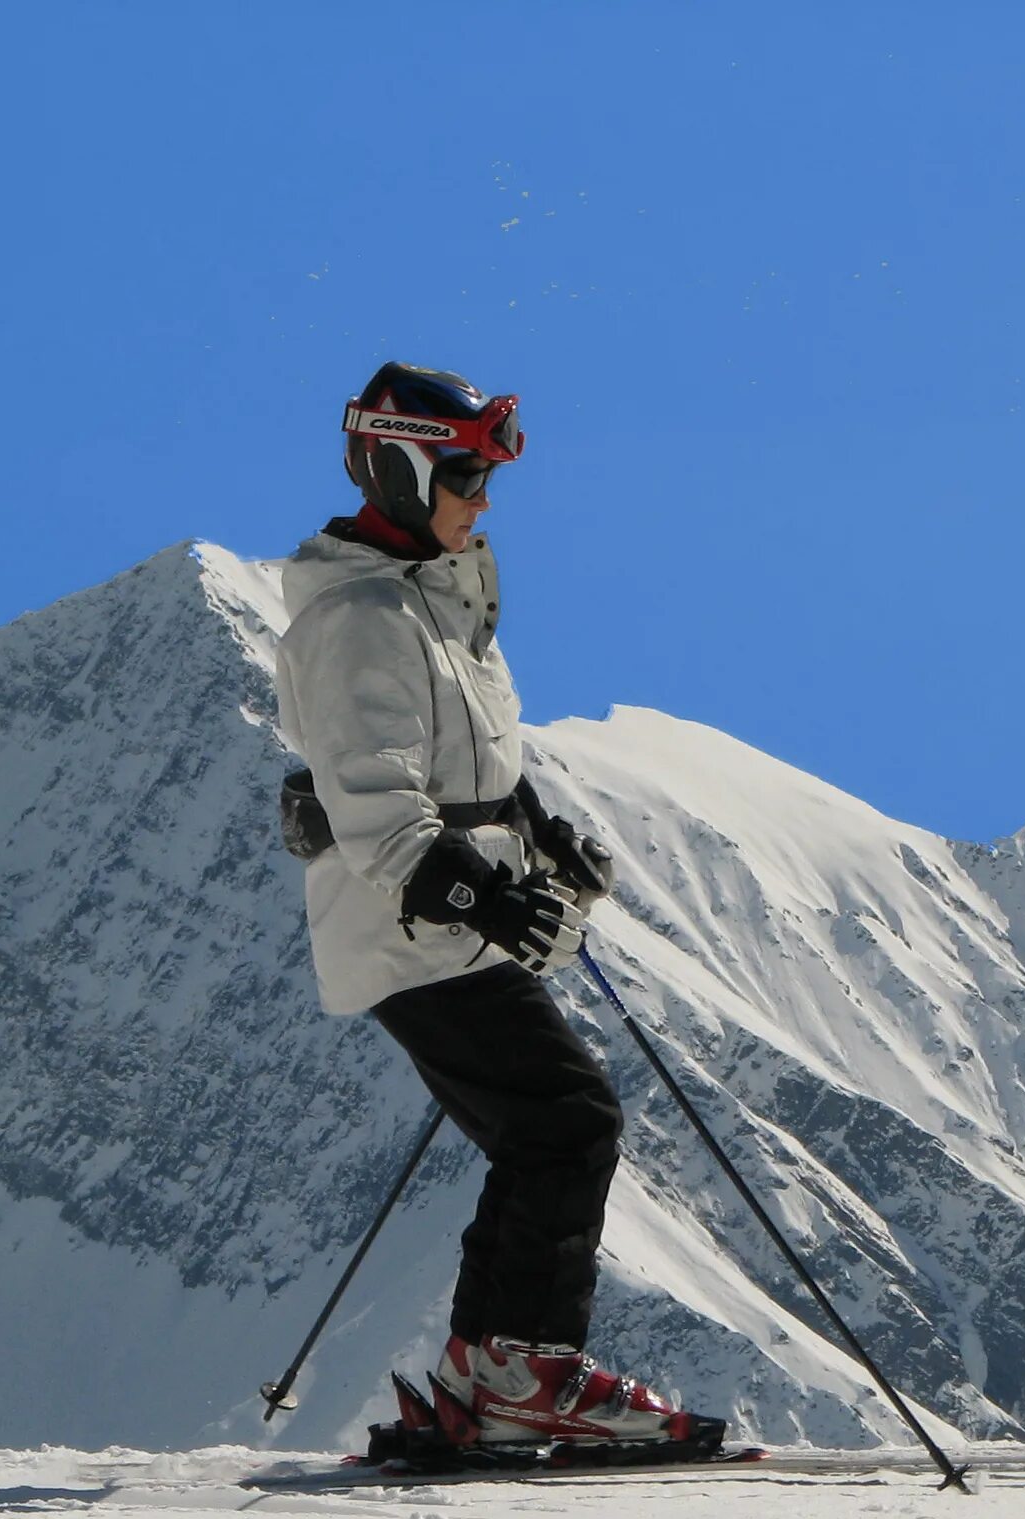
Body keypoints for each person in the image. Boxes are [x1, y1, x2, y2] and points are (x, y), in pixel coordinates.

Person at [273, 362, 704, 1451]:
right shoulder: (362, 618)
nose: (482, 497)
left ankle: (493, 1375)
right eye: (464, 472)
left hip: (444, 920)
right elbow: (374, 804)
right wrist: (485, 899)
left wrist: (538, 834)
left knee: (545, 1127)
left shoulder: (437, 597)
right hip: (405, 924)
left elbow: (467, 762)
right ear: (403, 466)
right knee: (567, 1120)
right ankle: (518, 1375)